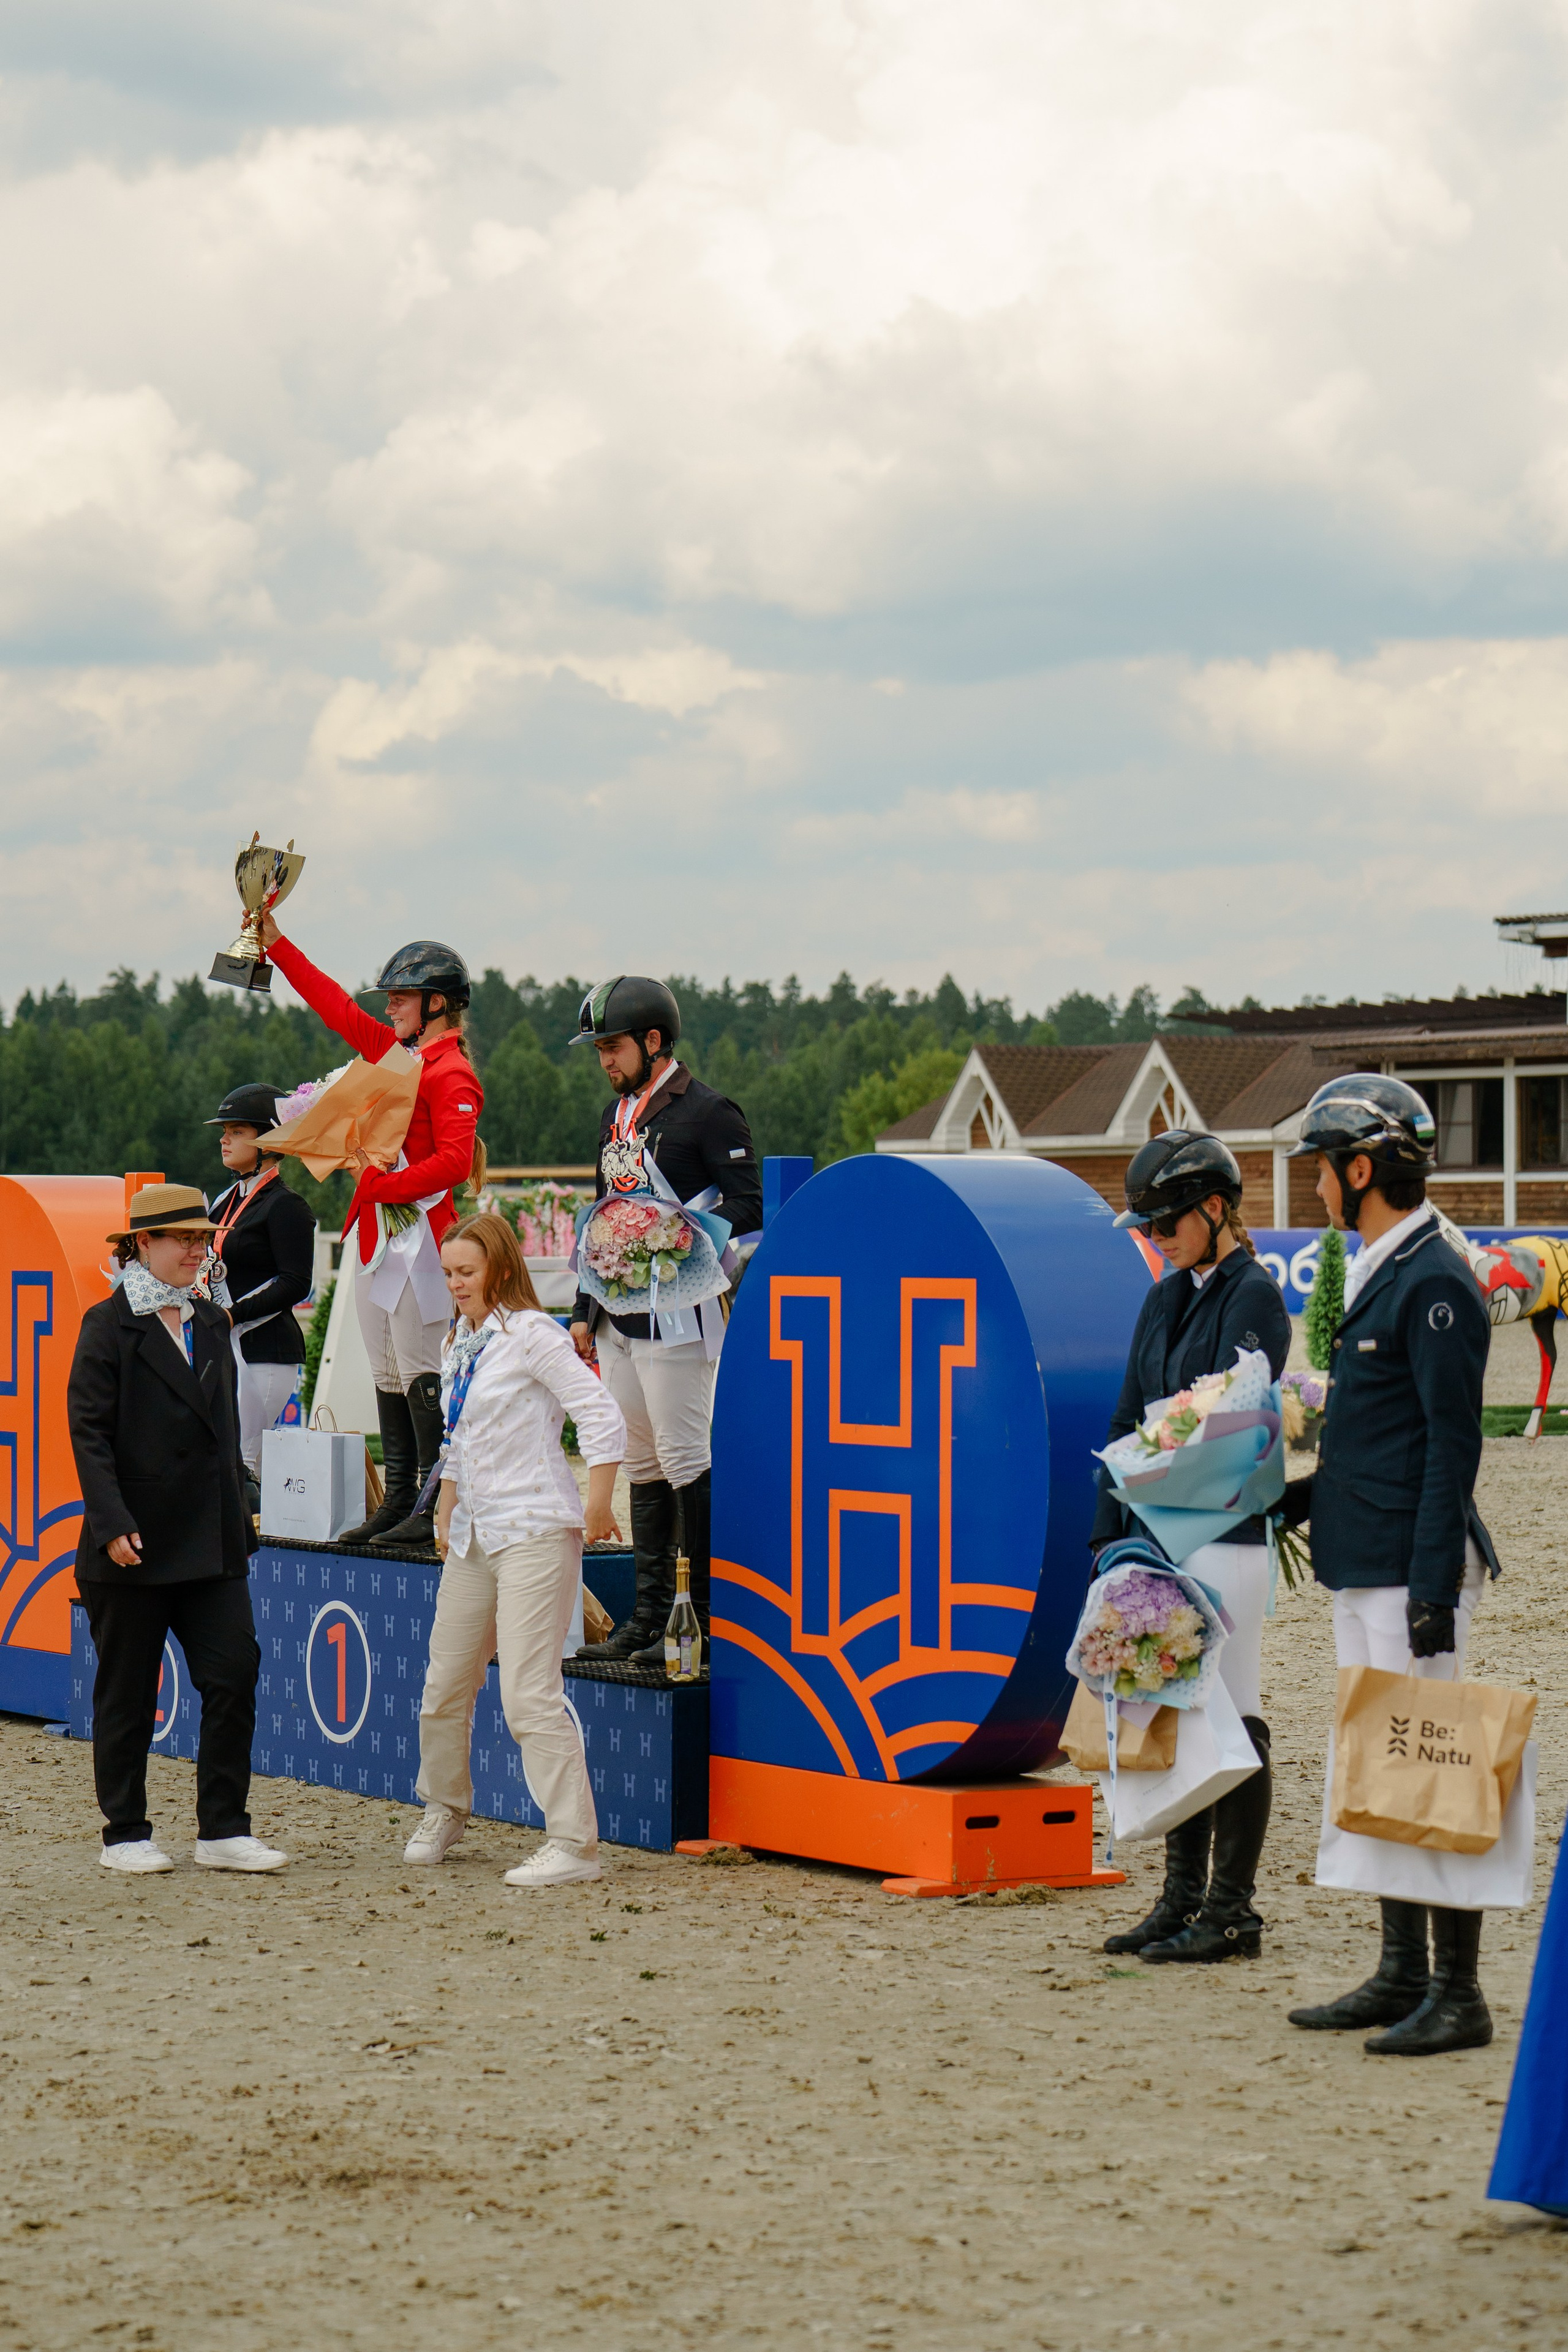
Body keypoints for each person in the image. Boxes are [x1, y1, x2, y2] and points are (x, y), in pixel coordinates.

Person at [1282, 1074, 1498, 2056]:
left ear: (1359, 1171)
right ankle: (1402, 1968)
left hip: (1412, 1574)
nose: (1315, 1188)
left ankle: (1459, 1990)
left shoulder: (1436, 1277)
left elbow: (1452, 1448)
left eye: (1322, 1171)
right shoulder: (1380, 1264)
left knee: (1436, 1772)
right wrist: (1305, 1495)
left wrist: (1432, 1590)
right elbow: (1379, 1432)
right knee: (1381, 1767)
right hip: (1363, 1562)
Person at [1093, 1131, 1291, 1963]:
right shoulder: (1164, 1295)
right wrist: (1110, 1539)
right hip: (1156, 1534)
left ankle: (1234, 1909)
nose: (1156, 1235)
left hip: (1225, 1531)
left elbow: (1225, 1419)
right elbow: (1130, 1411)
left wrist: (1154, 1486)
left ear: (1216, 1209)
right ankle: (1179, 1899)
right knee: (1174, 1703)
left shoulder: (1254, 1296)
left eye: (1167, 1220)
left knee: (1231, 1711)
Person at [66, 1184, 287, 1875]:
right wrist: (110, 1522)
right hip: (132, 1542)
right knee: (128, 1691)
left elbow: (222, 1431)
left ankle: (223, 1827)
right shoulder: (107, 1325)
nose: (198, 1249)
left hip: (212, 1539)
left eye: (203, 1239)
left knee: (234, 1674)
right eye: (183, 1239)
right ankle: (124, 1832)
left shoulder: (212, 1322)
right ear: (142, 1245)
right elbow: (89, 1433)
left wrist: (240, 1513)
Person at [405, 1213, 627, 1886]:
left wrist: (598, 1502)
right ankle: (444, 1805)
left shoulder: (533, 1334)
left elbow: (600, 1413)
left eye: (465, 1273)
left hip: (534, 1524)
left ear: (501, 1269)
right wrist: (445, 1503)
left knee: (530, 1692)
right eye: (447, 1274)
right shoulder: (459, 1341)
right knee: (444, 1685)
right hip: (475, 1530)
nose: (455, 1285)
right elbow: (456, 1438)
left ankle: (574, 1844)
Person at [257, 915, 484, 1549]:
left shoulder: (451, 1073)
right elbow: (332, 1005)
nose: (389, 1008)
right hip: (376, 1238)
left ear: (437, 1004)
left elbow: (454, 1163)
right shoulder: (395, 1056)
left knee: (417, 1367)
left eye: (401, 998)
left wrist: (380, 1184)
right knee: (385, 1369)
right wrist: (275, 942)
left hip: (421, 1242)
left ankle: (433, 1501)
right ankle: (402, 1494)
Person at [567, 977, 761, 1665]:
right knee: (642, 1464)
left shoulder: (708, 1112)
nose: (605, 1062)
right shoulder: (614, 1118)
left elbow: (748, 1206)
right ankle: (647, 1617)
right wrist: (585, 1308)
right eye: (599, 1051)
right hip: (620, 1317)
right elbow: (602, 1213)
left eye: (612, 1048)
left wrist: (672, 1238)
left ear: (653, 1041)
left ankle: (699, 1621)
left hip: (681, 1314)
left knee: (684, 1460)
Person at [204, 1083, 317, 1498]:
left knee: (242, 1465)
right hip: (224, 1346)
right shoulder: (223, 1202)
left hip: (264, 1351)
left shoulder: (286, 1206)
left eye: (236, 1130)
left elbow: (295, 1282)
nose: (224, 1138)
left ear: (267, 1140)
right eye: (224, 1130)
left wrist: (234, 1315)